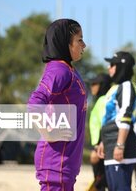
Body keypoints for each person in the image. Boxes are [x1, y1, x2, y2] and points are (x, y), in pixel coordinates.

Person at [28, 19, 87, 190]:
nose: (84, 45)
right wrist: (50, 132)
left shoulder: (69, 70)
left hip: (66, 162)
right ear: (64, 42)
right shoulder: (59, 70)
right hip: (56, 161)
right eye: (79, 39)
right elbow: (34, 102)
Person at [97, 51, 136, 191]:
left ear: (122, 67)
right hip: (110, 146)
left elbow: (125, 116)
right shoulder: (116, 88)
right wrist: (103, 141)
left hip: (121, 147)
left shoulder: (126, 86)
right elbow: (109, 118)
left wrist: (120, 145)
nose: (109, 68)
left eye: (113, 65)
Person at [88, 73, 112, 191]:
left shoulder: (104, 100)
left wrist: (102, 142)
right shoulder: (99, 100)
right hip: (99, 142)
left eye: (94, 84)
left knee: (95, 159)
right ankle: (99, 183)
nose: (92, 87)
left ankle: (99, 183)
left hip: (103, 142)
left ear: (102, 85)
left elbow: (106, 122)